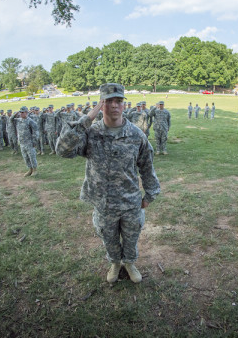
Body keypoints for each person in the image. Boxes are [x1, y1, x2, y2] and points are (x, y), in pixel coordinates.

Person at [57, 83, 160, 284]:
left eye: (118, 101)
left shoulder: (135, 135)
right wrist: (86, 119)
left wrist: (149, 195)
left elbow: (147, 165)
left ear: (123, 105)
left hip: (130, 202)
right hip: (103, 203)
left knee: (131, 238)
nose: (114, 105)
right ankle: (115, 263)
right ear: (101, 104)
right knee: (109, 239)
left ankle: (129, 263)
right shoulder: (90, 133)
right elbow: (63, 150)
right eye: (109, 101)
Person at [11, 106, 40, 176]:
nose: (21, 114)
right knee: (25, 157)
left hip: (29, 142)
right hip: (22, 143)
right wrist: (15, 114)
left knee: (32, 156)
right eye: (20, 112)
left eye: (22, 112)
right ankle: (30, 169)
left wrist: (34, 142)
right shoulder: (18, 120)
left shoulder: (30, 121)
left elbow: (35, 132)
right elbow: (11, 120)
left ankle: (35, 170)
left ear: (26, 113)